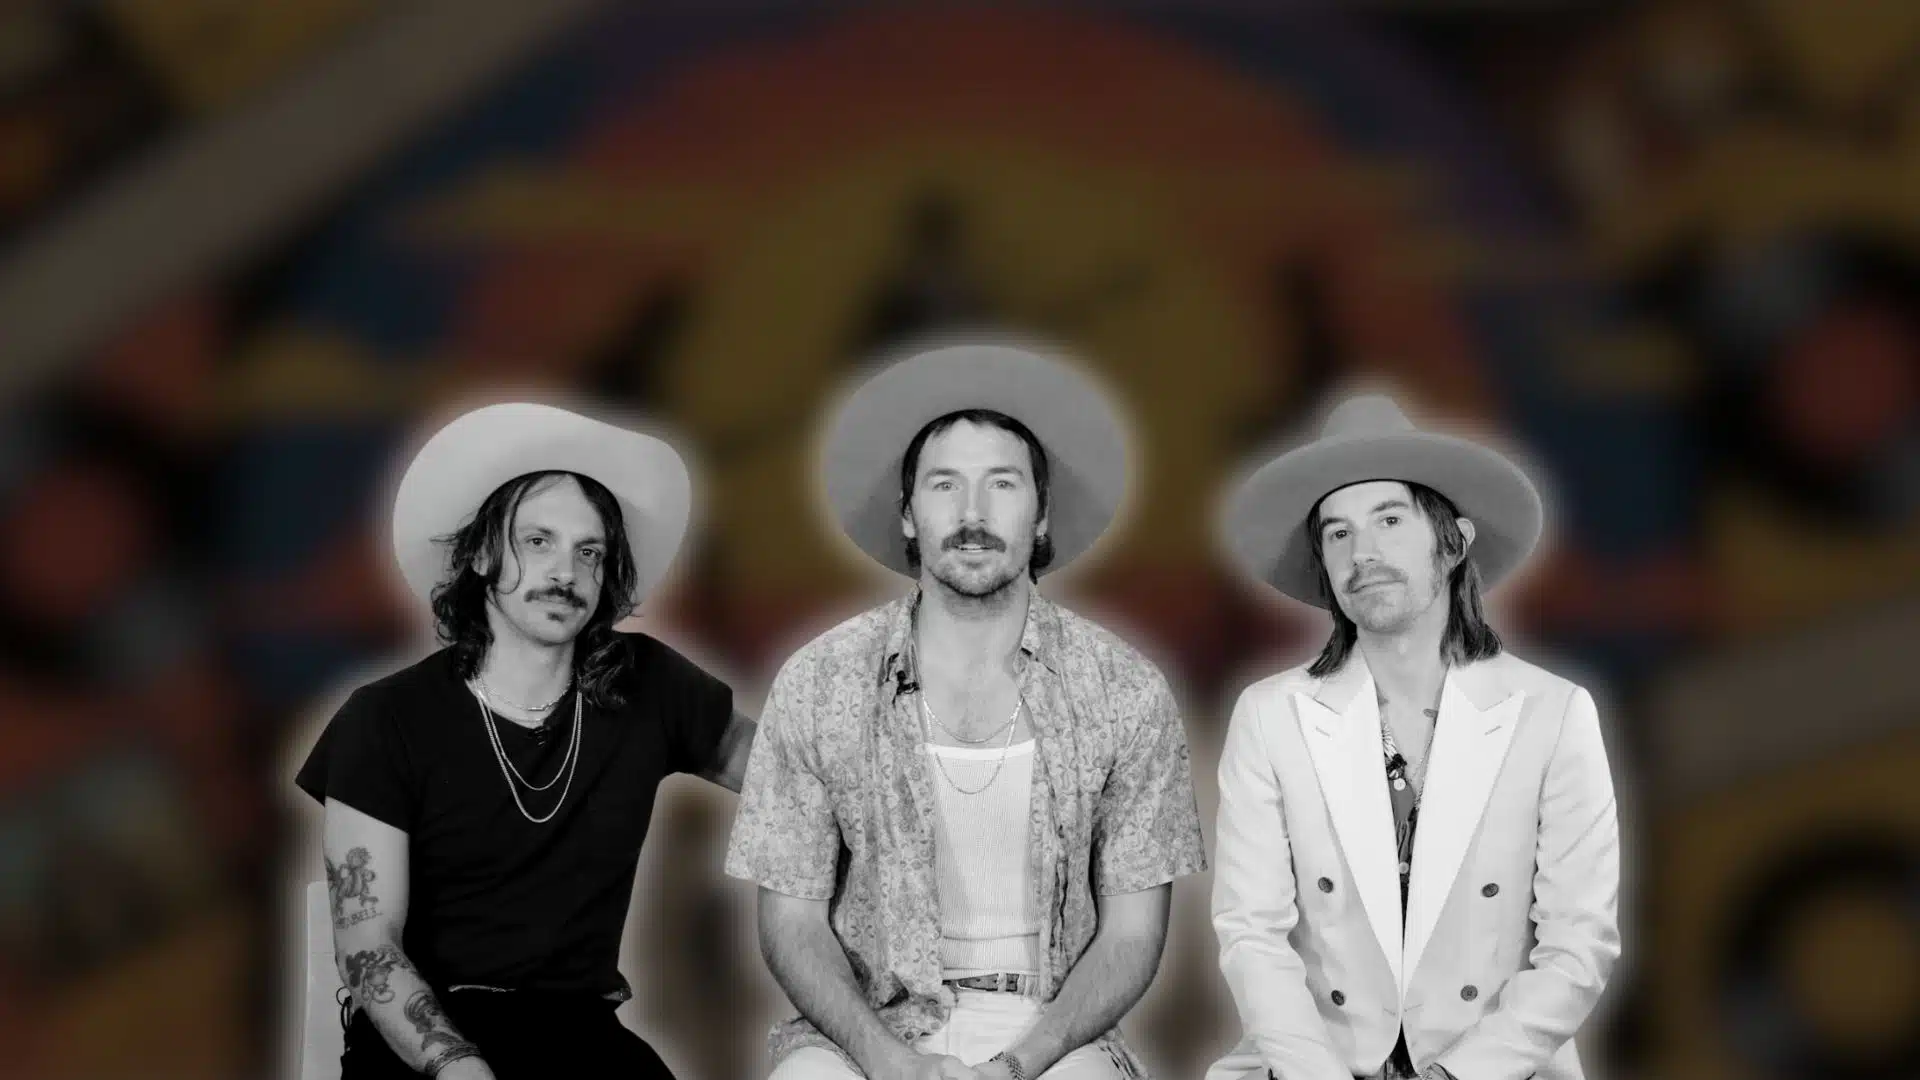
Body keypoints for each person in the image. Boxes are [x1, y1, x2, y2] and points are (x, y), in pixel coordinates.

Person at [726, 341, 1207, 1080]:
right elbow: (790, 919)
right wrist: (886, 1060)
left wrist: (1021, 1063)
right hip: (869, 1031)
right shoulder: (820, 681)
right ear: (909, 516)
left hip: (1055, 1032)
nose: (972, 513)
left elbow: (1135, 932)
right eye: (944, 485)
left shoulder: (1124, 690)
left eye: (1002, 485)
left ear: (1042, 517)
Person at [295, 401, 755, 1079]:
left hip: (581, 1032)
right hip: (426, 1039)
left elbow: (793, 772)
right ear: (482, 553)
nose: (564, 572)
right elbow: (369, 946)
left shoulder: (648, 684)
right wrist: (457, 1066)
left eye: (588, 551)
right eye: (538, 541)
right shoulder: (385, 717)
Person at [1206, 393, 1621, 1080]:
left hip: (1495, 1068)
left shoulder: (1552, 713)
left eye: (1389, 520)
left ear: (1452, 540)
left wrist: (1457, 1075)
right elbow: (1251, 935)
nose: (1362, 552)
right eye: (1337, 533)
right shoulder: (1270, 715)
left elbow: (1579, 946)